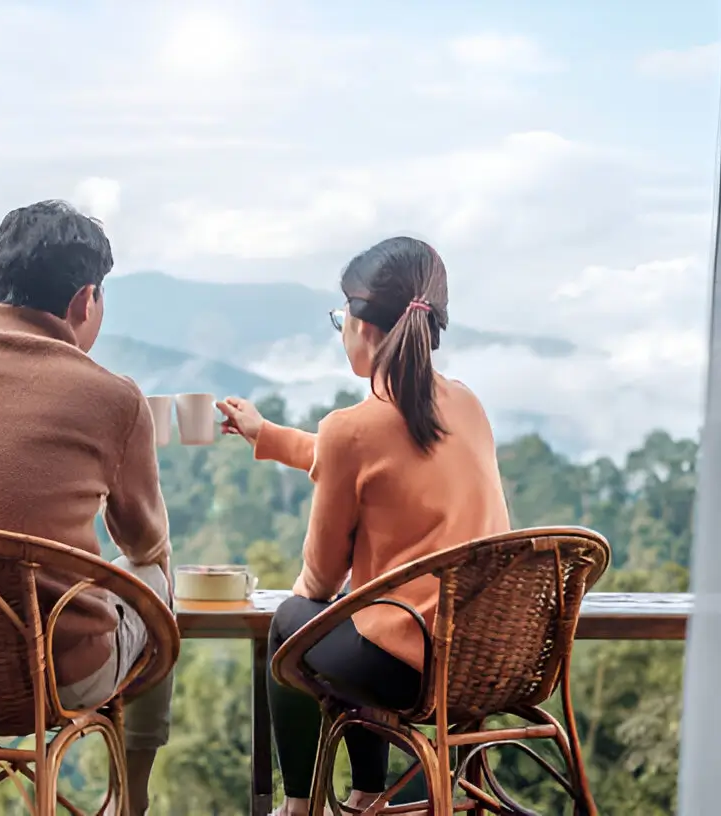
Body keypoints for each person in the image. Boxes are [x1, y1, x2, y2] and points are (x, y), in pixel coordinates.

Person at [0, 200, 173, 816]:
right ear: (85, 301)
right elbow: (146, 543)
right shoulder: (113, 397)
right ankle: (133, 801)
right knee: (154, 580)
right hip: (52, 678)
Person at [218, 237, 511, 815]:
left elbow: (320, 581)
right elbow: (372, 457)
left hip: (415, 671)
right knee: (360, 620)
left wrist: (314, 603)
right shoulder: (467, 405)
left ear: (362, 324)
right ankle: (366, 795)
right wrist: (267, 435)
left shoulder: (353, 430)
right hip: (492, 659)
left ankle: (300, 807)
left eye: (340, 318)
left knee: (294, 623)